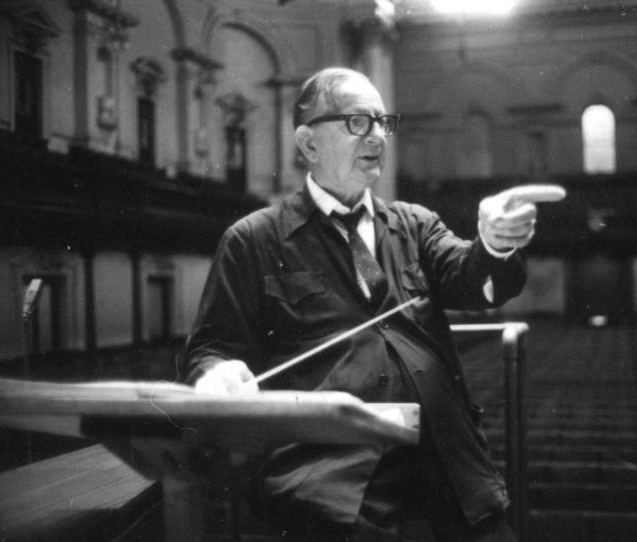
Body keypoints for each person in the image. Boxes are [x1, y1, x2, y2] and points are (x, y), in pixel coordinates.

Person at [183, 67, 560, 542]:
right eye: (358, 122)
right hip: (329, 473)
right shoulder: (253, 239)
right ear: (308, 143)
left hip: (447, 457)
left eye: (383, 122)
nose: (378, 136)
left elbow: (473, 282)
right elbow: (209, 349)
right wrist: (217, 374)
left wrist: (494, 243)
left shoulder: (415, 224)